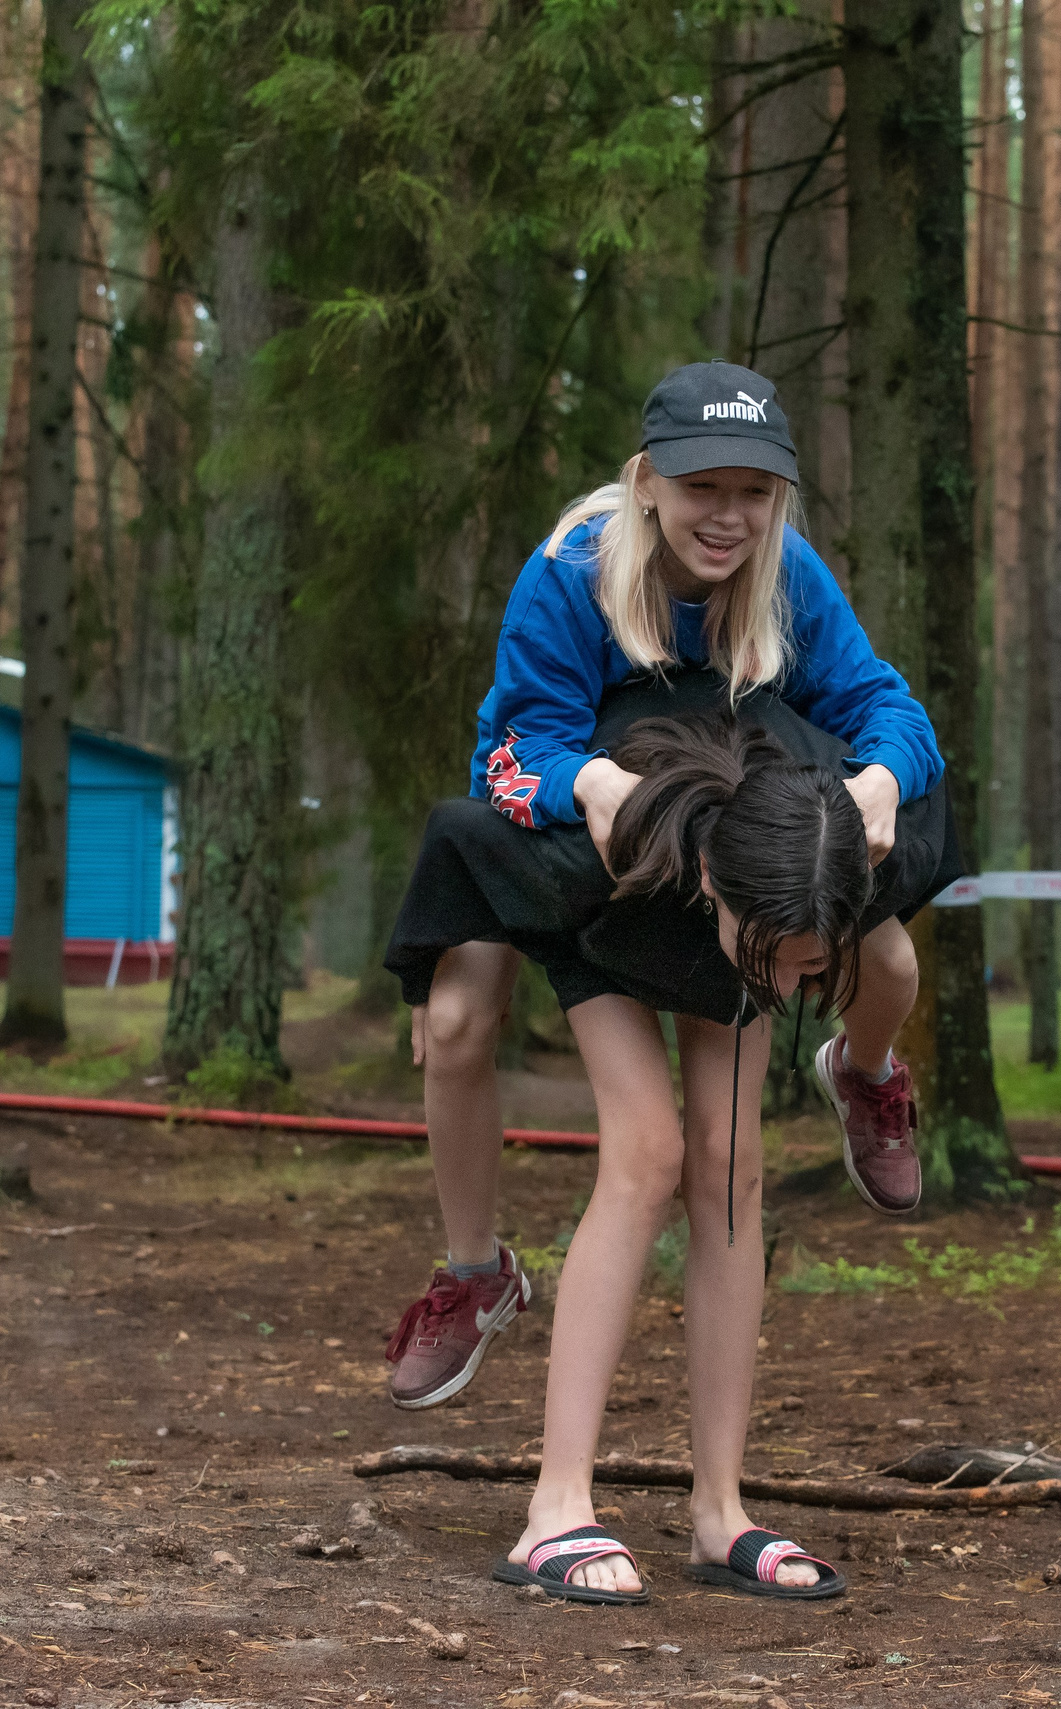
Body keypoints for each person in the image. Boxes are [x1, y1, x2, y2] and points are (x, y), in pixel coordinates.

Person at [378, 361, 948, 1413]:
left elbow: (890, 708)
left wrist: (879, 780)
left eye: (754, 492)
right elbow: (514, 750)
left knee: (893, 957)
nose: (728, 517)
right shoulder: (570, 571)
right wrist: (587, 779)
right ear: (647, 480)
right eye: (702, 488)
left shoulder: (787, 575)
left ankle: (863, 1069)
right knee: (457, 1019)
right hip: (555, 822)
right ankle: (474, 1269)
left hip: (718, 837)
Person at [485, 713, 867, 1602]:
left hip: (742, 898)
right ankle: (556, 1504)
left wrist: (887, 776)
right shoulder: (610, 857)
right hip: (600, 909)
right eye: (785, 965)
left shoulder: (802, 865)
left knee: (731, 1164)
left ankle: (719, 1511)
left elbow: (894, 724)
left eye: (808, 973)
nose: (790, 990)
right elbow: (482, 806)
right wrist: (440, 970)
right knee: (647, 1151)